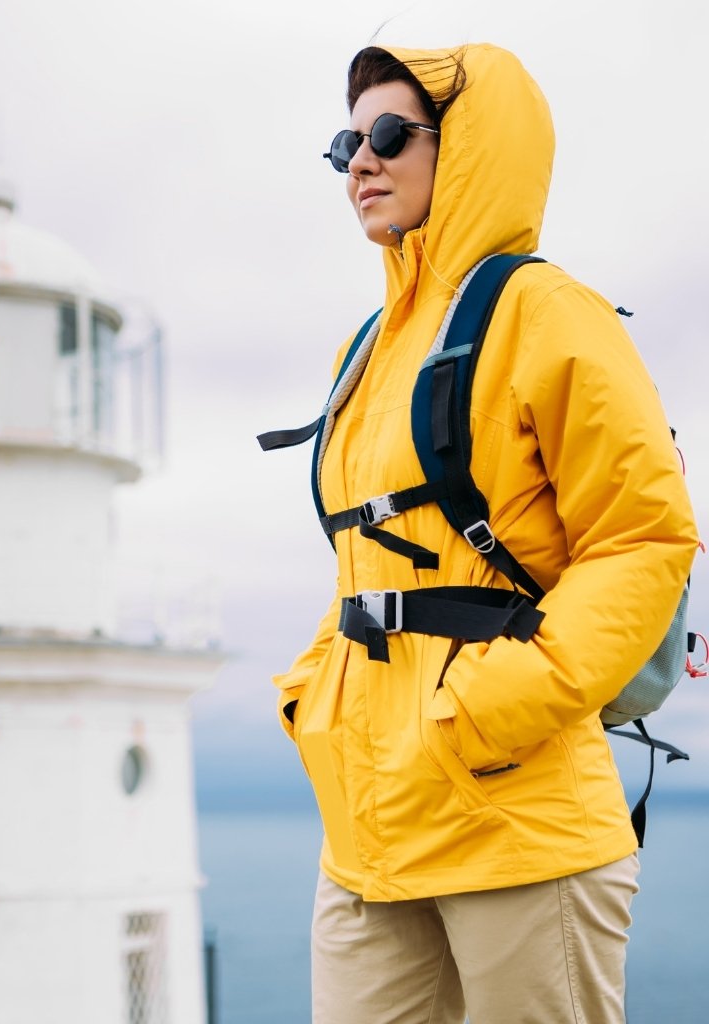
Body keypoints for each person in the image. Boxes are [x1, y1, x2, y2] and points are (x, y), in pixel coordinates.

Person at [270, 43, 699, 1024]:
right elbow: (364, 561)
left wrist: (493, 702)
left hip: (518, 806)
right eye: (348, 143)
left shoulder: (549, 312)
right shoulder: (365, 346)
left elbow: (642, 536)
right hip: (369, 825)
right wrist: (313, 696)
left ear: (464, 145)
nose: (361, 163)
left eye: (387, 135)